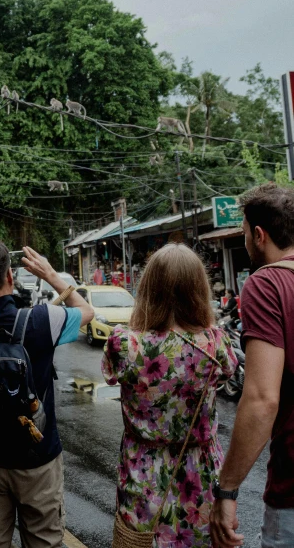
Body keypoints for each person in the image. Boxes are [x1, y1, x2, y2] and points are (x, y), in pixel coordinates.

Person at [0, 238, 94, 548]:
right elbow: (87, 311)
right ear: (10, 276)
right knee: (44, 541)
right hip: (38, 458)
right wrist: (51, 276)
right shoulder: (43, 320)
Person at [102, 243, 237, 548]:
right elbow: (230, 369)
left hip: (143, 477)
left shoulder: (125, 345)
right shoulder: (216, 343)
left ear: (148, 289)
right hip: (200, 477)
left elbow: (110, 374)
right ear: (199, 290)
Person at [210, 184, 294, 548]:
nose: (245, 243)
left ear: (259, 236)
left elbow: (262, 400)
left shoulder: (267, 282)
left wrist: (226, 492)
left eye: (244, 235)